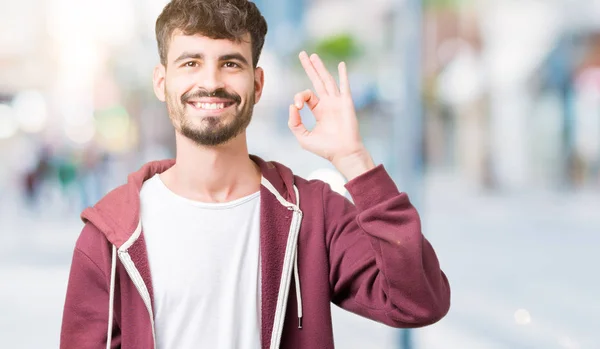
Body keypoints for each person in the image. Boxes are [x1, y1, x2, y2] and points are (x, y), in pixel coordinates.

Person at [60, 0, 451, 348]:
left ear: (258, 83)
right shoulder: (110, 237)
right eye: (190, 62)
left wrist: (354, 159)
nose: (211, 82)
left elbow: (420, 302)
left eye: (230, 63)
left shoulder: (316, 216)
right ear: (162, 83)